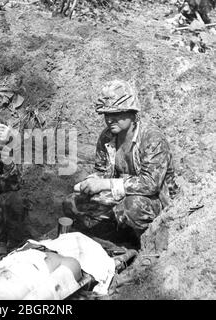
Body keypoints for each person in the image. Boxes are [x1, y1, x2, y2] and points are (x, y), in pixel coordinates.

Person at [63, 80, 178, 239]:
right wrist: (92, 181)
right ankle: (114, 234)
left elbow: (151, 184)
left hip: (155, 199)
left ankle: (144, 242)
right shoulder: (107, 137)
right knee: (73, 202)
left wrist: (105, 184)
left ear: (132, 113)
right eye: (106, 115)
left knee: (132, 207)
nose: (109, 120)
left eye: (116, 114)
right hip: (120, 195)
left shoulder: (152, 138)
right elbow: (103, 171)